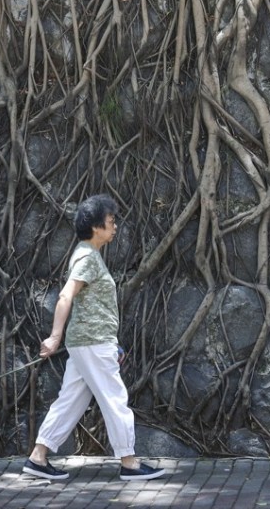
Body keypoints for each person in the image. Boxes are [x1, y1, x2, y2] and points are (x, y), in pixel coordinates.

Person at [23, 194, 165, 482]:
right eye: (110, 221)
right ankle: (129, 462)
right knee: (115, 398)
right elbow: (65, 296)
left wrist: (114, 343)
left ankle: (38, 458)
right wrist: (53, 337)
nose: (114, 226)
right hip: (92, 342)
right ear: (96, 226)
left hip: (91, 341)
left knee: (71, 400)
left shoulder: (88, 255)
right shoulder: (87, 257)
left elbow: (95, 306)